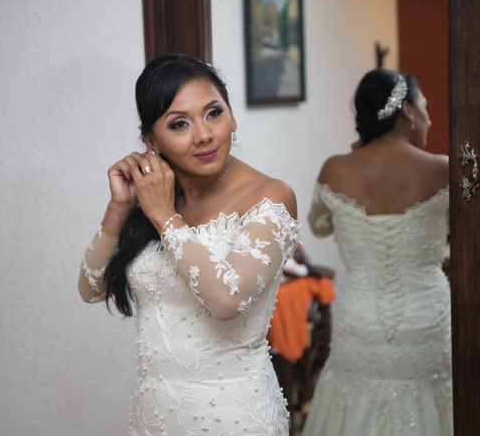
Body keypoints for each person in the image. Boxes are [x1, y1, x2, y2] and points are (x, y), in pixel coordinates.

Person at [78, 54, 300, 435]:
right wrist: (119, 208)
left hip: (234, 417)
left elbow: (227, 299)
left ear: (232, 116)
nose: (204, 134)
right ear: (152, 140)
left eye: (214, 113)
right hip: (155, 417)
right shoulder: (153, 197)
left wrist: (165, 217)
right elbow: (91, 287)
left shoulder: (270, 197)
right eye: (179, 124)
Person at [302, 68, 452, 435]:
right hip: (425, 319)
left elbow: (319, 225)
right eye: (425, 108)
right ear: (407, 111)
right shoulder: (444, 169)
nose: (429, 117)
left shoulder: (334, 169)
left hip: (359, 320)